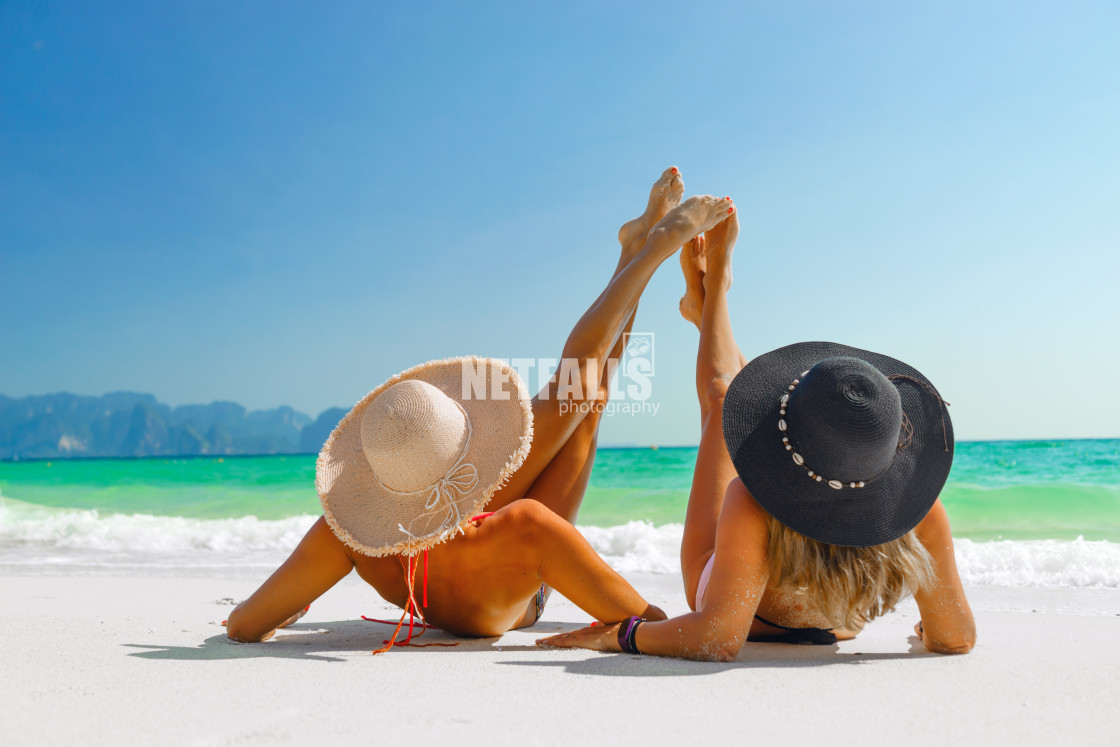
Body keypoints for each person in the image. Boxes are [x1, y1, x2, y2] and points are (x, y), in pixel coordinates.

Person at [225, 168, 738, 647]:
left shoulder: (350, 535)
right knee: (583, 394)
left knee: (584, 396)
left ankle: (639, 251)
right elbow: (648, 625)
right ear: (469, 457)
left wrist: (288, 603)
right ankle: (641, 254)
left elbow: (244, 625)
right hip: (515, 567)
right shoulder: (527, 526)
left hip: (472, 552)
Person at [539, 206, 976, 660]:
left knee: (723, 399)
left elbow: (716, 636)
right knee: (725, 396)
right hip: (838, 628)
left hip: (755, 622)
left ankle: (714, 297)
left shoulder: (751, 504)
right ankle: (711, 299)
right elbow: (956, 637)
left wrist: (621, 635)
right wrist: (929, 627)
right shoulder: (919, 509)